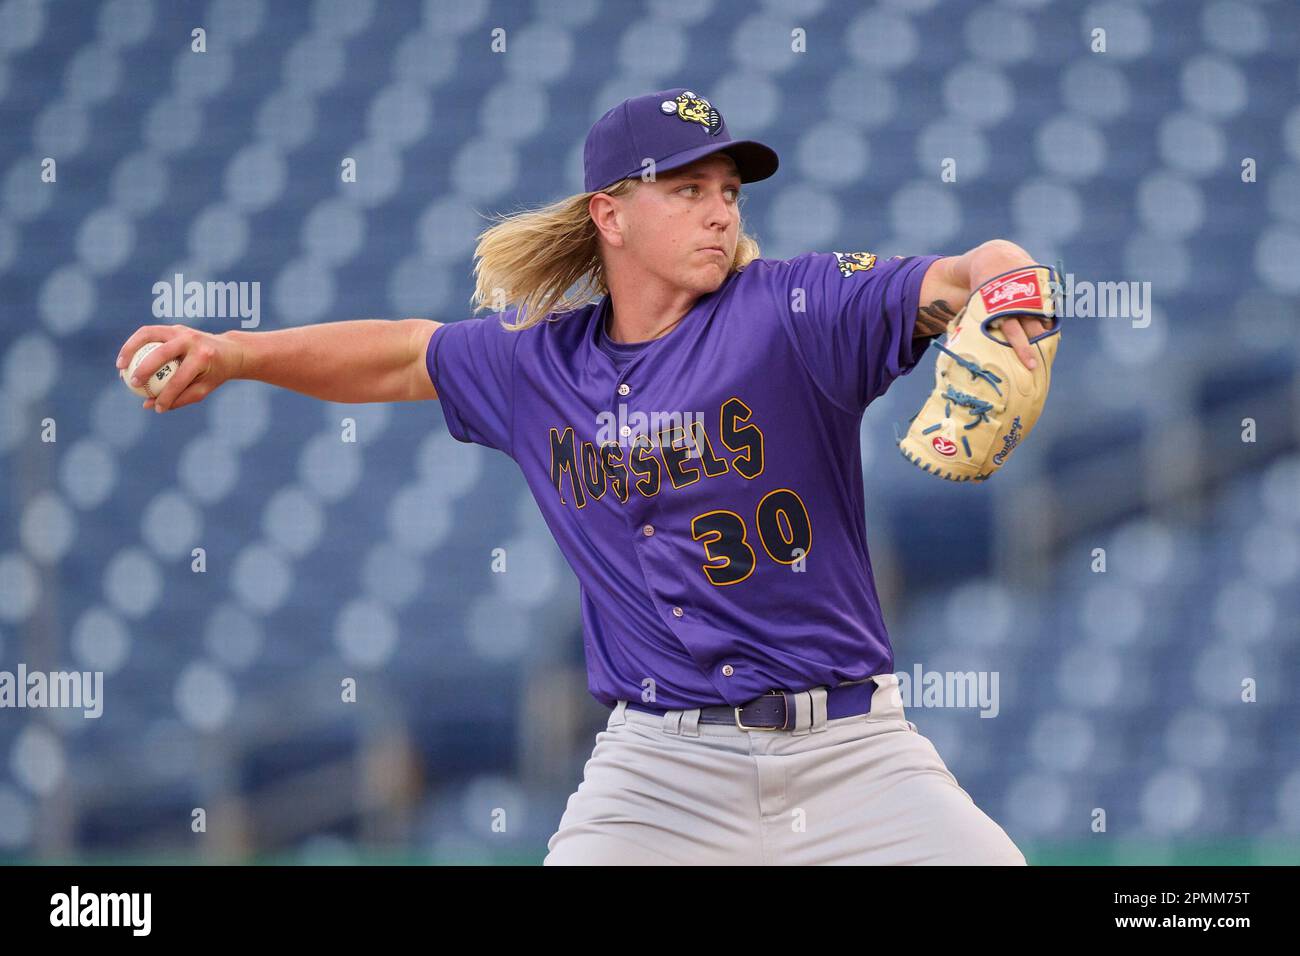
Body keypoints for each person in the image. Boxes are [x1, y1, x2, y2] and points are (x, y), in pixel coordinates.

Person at [117, 88, 1049, 865]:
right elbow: (403, 355)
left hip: (852, 753)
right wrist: (235, 353)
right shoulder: (537, 366)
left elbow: (971, 272)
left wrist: (1013, 295)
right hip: (660, 771)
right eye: (687, 189)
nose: (722, 209)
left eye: (730, 189)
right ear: (610, 212)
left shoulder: (796, 310)